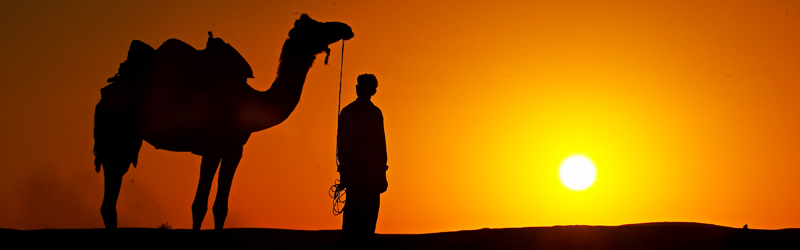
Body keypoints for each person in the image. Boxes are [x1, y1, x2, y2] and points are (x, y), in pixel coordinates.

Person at [337, 73, 388, 245]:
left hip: (356, 177)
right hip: (369, 178)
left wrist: (344, 174)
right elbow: (380, 146)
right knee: (366, 225)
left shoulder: (347, 112)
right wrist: (382, 175)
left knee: (352, 223)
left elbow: (341, 147)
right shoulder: (374, 113)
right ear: (374, 91)